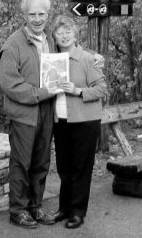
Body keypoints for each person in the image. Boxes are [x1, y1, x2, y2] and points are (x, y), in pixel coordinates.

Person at [0, 0, 60, 229]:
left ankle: (35, 206)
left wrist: (93, 58)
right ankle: (18, 210)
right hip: (24, 113)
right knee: (22, 163)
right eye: (32, 14)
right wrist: (41, 93)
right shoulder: (13, 44)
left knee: (41, 162)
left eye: (41, 14)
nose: (37, 19)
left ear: (47, 14)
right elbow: (10, 84)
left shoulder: (50, 41)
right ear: (24, 15)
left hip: (46, 111)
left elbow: (71, 57)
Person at [50, 15, 107, 229]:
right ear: (54, 36)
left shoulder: (86, 58)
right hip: (61, 119)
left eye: (68, 32)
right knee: (64, 167)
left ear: (75, 34)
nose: (64, 36)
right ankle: (64, 208)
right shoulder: (52, 59)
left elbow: (102, 89)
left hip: (84, 120)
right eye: (59, 32)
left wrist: (78, 90)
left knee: (81, 168)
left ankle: (78, 212)